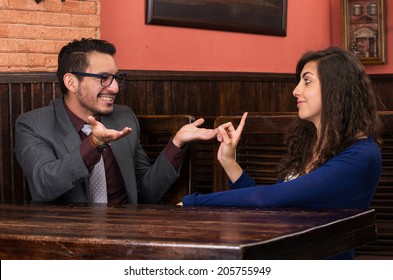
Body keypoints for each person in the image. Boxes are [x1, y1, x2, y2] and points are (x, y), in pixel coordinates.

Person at [182, 47, 383, 259]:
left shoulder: (361, 156)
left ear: (336, 88)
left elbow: (267, 199)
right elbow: (274, 208)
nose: (295, 91)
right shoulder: (309, 142)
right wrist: (228, 160)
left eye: (306, 81)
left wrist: (192, 203)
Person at [15, 38, 217, 204]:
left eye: (116, 77)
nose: (115, 88)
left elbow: (145, 192)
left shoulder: (123, 116)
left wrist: (176, 143)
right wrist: (93, 144)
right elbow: (44, 184)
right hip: (68, 241)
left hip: (127, 237)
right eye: (103, 78)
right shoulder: (33, 124)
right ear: (71, 82)